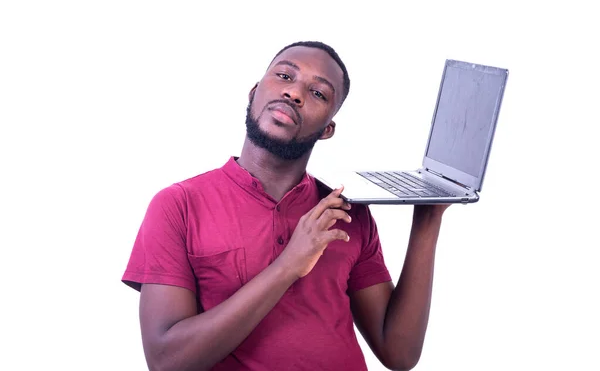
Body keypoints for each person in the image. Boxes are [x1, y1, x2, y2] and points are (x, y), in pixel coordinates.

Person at [122, 41, 450, 371]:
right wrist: (289, 264)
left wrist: (428, 218)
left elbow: (399, 353)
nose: (294, 94)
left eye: (319, 93)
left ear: (327, 130)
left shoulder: (347, 213)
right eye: (283, 75)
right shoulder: (178, 205)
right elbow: (166, 361)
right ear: (253, 93)